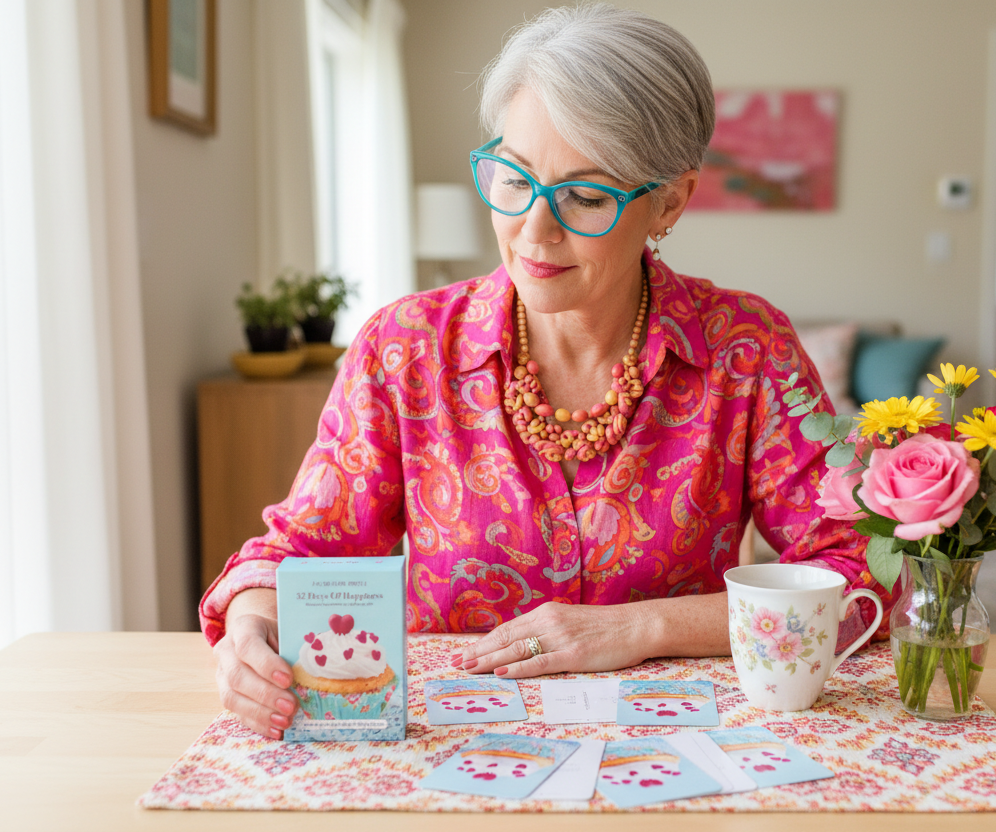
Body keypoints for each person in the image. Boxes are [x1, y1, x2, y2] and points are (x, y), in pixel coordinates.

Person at [202, 4, 887, 741]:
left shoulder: (747, 350)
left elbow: (857, 575)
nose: (533, 229)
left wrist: (642, 627)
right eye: (513, 177)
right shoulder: (404, 350)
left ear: (669, 202)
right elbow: (298, 556)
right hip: (454, 750)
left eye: (585, 196)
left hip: (676, 749)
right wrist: (252, 626)